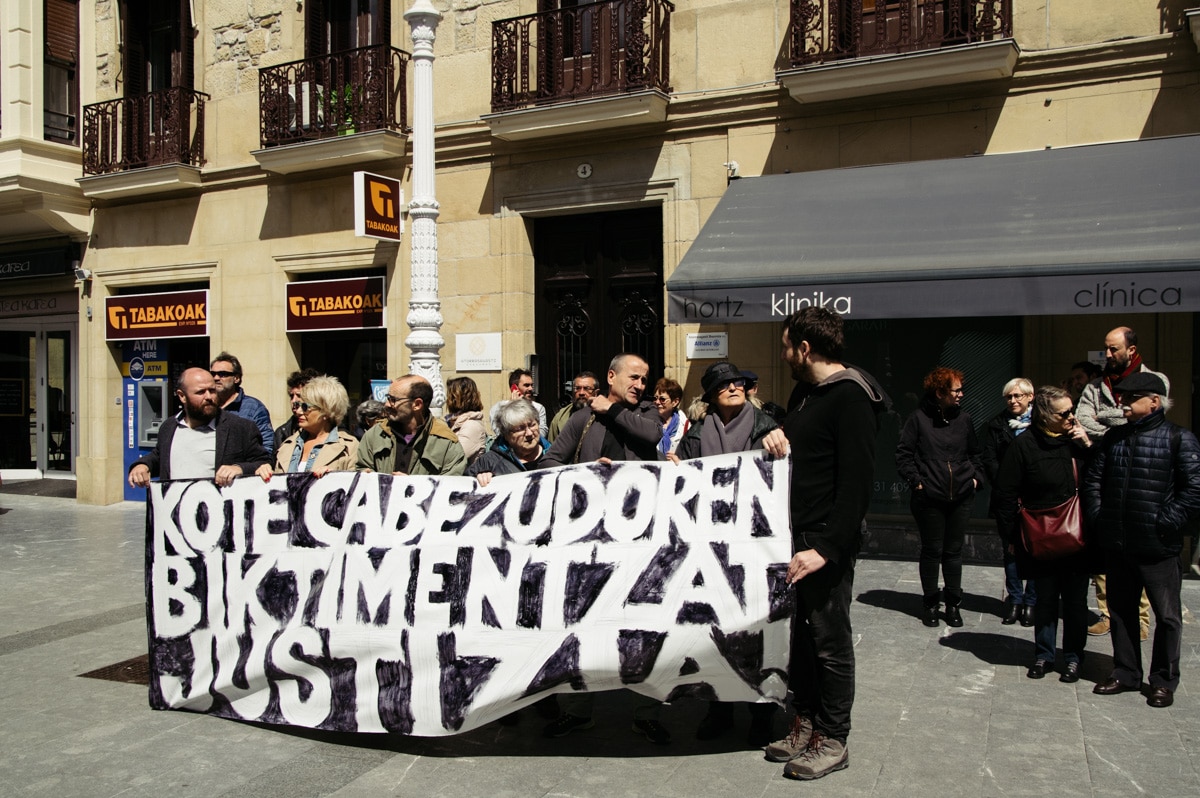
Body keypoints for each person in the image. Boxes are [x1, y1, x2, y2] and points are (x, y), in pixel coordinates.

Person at [764, 307, 890, 781]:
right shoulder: (805, 394)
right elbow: (798, 450)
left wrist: (827, 548)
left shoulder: (851, 397)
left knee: (830, 640)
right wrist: (773, 434)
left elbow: (857, 483)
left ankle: (834, 739)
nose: (783, 354)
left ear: (804, 348)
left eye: (785, 345)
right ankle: (806, 721)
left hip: (823, 543)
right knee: (800, 638)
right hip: (795, 536)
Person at [539, 353, 670, 744]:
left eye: (645, 380)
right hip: (589, 543)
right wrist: (586, 475)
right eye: (634, 377)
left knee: (644, 629)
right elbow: (551, 461)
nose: (641, 385)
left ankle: (646, 713)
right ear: (611, 376)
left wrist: (610, 407)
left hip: (640, 542)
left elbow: (650, 438)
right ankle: (577, 711)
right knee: (582, 627)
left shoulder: (646, 414)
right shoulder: (582, 418)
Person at [673, 361, 787, 747]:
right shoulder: (695, 437)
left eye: (739, 382)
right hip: (712, 550)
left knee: (757, 635)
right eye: (724, 384)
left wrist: (780, 440)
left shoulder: (767, 426)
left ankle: (761, 715)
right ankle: (718, 709)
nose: (734, 387)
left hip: (756, 550)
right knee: (712, 634)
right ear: (711, 395)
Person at [1083, 372, 1200, 708]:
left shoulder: (1179, 439)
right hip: (1118, 543)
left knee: (1166, 617)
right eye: (1122, 398)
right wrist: (1099, 517)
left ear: (1154, 401)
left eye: (1131, 399)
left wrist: (1165, 522)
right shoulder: (1114, 438)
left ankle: (1163, 681)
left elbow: (1193, 491)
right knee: (1120, 611)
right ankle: (1126, 672)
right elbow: (1094, 481)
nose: (1123, 404)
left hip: (1157, 546)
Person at [992, 386, 1096, 683]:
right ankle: (1044, 655)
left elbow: (1100, 478)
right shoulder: (1024, 446)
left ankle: (1074, 658)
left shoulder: (1076, 442)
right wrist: (1012, 535)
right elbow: (1006, 493)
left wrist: (1087, 445)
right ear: (1046, 416)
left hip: (1076, 535)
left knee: (1075, 603)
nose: (1071, 417)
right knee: (1045, 599)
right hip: (1041, 535)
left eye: (1071, 410)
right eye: (1065, 413)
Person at [1076, 327, 1165, 638]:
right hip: (1105, 468)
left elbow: (1153, 416)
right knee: (1106, 547)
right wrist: (1123, 419)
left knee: (1137, 549)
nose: (1108, 355)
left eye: (1114, 349)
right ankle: (1107, 613)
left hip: (1141, 471)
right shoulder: (1097, 386)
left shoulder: (1157, 380)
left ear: (1131, 348)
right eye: (1106, 349)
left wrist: (1108, 418)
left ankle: (1140, 619)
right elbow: (1083, 418)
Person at [895, 367, 984, 627]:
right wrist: (917, 483)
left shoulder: (965, 419)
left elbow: (975, 453)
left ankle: (954, 604)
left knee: (954, 552)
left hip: (961, 496)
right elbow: (903, 455)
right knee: (932, 550)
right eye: (956, 390)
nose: (961, 395)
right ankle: (931, 603)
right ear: (940, 392)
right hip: (929, 498)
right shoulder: (918, 419)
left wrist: (975, 479)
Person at [128, 367, 270, 488]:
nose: (209, 397)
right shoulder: (169, 427)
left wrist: (239, 468)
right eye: (201, 392)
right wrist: (142, 465)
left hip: (219, 516)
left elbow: (264, 463)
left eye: (212, 391)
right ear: (182, 396)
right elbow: (159, 456)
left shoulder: (240, 428)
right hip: (175, 514)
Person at [980, 378, 1037, 626]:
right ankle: (1014, 600)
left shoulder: (1041, 424)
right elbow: (989, 459)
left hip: (1036, 497)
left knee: (1035, 550)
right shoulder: (996, 425)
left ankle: (1032, 602)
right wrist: (1007, 484)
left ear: (1030, 397)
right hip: (1007, 497)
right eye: (1009, 397)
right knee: (1011, 550)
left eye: (1018, 396)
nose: (1013, 401)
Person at [355, 375, 467, 476]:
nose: (387, 404)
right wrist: (365, 476)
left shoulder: (446, 443)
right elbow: (361, 468)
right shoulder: (375, 435)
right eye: (388, 398)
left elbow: (450, 489)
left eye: (393, 400)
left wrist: (413, 487)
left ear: (417, 405)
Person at [256, 375, 358, 480]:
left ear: (326, 412)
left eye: (305, 407)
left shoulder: (349, 447)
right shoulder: (287, 444)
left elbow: (357, 488)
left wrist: (336, 478)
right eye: (298, 405)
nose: (299, 412)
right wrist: (265, 472)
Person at [467, 399, 550, 485]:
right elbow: (463, 486)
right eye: (520, 429)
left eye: (532, 425)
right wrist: (479, 478)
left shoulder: (555, 455)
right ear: (506, 435)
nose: (529, 433)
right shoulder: (489, 462)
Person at [209, 352, 273, 448]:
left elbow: (267, 444)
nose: (216, 378)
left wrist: (242, 464)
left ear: (236, 378)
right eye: (212, 374)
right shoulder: (207, 405)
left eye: (222, 374)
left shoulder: (254, 408)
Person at [272, 368, 322, 454]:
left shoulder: (337, 433)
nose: (294, 401)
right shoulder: (282, 433)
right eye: (291, 396)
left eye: (299, 395)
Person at [489, 368, 548, 439]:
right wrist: (513, 406)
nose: (531, 389)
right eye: (526, 385)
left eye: (531, 385)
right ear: (514, 388)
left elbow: (542, 432)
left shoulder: (538, 408)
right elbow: (500, 433)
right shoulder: (497, 408)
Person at [444, 376, 489, 464]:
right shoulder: (454, 422)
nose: (447, 400)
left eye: (449, 395)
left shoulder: (472, 426)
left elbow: (454, 457)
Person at [548, 372, 598, 442]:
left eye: (587, 388)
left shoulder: (603, 416)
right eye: (577, 388)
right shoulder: (560, 418)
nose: (581, 393)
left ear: (596, 393)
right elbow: (551, 447)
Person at [653, 377, 688, 456]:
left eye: (662, 399)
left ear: (675, 402)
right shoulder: (648, 421)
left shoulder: (686, 426)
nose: (657, 402)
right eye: (655, 398)